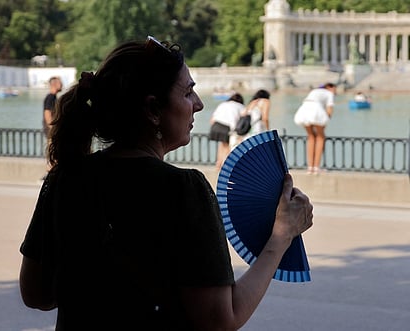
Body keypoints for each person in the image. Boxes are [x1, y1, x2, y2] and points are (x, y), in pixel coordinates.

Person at [19, 36, 313, 331]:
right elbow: (221, 318)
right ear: (152, 110)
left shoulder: (65, 178)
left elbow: (36, 294)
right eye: (187, 93)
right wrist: (280, 237)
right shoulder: (182, 189)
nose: (198, 105)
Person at [294, 82, 337, 174]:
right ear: (329, 87)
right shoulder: (329, 94)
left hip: (305, 108)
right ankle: (316, 167)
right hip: (316, 109)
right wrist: (325, 122)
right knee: (321, 137)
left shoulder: (315, 91)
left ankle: (310, 167)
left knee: (311, 136)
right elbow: (329, 110)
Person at [208, 92, 245, 169]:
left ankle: (218, 164)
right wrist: (235, 133)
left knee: (222, 145)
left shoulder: (223, 104)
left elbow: (213, 118)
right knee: (228, 146)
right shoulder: (240, 106)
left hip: (216, 126)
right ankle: (225, 166)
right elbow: (235, 120)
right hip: (226, 127)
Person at [42, 76, 63, 140]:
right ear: (54, 84)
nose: (62, 85)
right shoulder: (50, 97)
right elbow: (47, 113)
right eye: (60, 83)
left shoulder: (53, 97)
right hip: (52, 131)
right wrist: (52, 128)